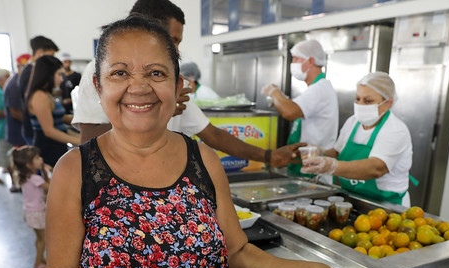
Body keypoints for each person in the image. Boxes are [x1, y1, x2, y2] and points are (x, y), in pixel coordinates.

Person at [44, 16, 333, 268]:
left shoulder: (203, 160)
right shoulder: (75, 170)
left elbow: (238, 251)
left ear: (179, 88)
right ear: (99, 85)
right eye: (120, 73)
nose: (139, 86)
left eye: (156, 73)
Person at [72, 0, 301, 168]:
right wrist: (155, 114)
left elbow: (210, 133)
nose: (176, 50)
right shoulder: (100, 70)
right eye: (172, 40)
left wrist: (269, 156)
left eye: (155, 73)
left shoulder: (170, 78)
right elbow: (88, 141)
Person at [301, 72, 414, 207]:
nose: (360, 105)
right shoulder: (353, 122)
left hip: (385, 205)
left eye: (368, 101)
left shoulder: (395, 130)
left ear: (387, 103)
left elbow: (375, 168)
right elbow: (338, 153)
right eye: (357, 99)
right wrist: (320, 153)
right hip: (351, 199)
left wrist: (331, 167)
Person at [261, 39, 339, 176]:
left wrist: (274, 91)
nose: (293, 64)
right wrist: (278, 100)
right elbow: (292, 106)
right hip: (305, 163)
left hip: (314, 169)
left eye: (297, 59)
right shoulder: (315, 88)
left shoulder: (320, 88)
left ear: (310, 61)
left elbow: (289, 112)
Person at [25, 55, 80, 167]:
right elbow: (49, 131)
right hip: (48, 149)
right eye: (59, 74)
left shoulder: (47, 94)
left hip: (57, 147)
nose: (62, 79)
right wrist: (80, 142)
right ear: (47, 75)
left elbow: (59, 123)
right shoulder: (39, 96)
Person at [12, 146, 51, 268]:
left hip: (29, 212)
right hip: (37, 212)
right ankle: (37, 264)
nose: (41, 159)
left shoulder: (24, 177)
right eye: (37, 158)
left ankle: (41, 259)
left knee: (39, 238)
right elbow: (51, 187)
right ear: (29, 164)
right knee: (43, 239)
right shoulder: (36, 179)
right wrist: (47, 171)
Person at [18, 36, 60, 144]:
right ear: (40, 53)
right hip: (36, 132)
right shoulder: (30, 73)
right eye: (51, 56)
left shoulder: (31, 72)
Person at [4, 54, 32, 192]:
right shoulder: (15, 84)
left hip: (20, 129)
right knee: (19, 160)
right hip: (18, 130)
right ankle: (19, 185)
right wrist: (31, 123)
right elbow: (15, 111)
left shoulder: (20, 82)